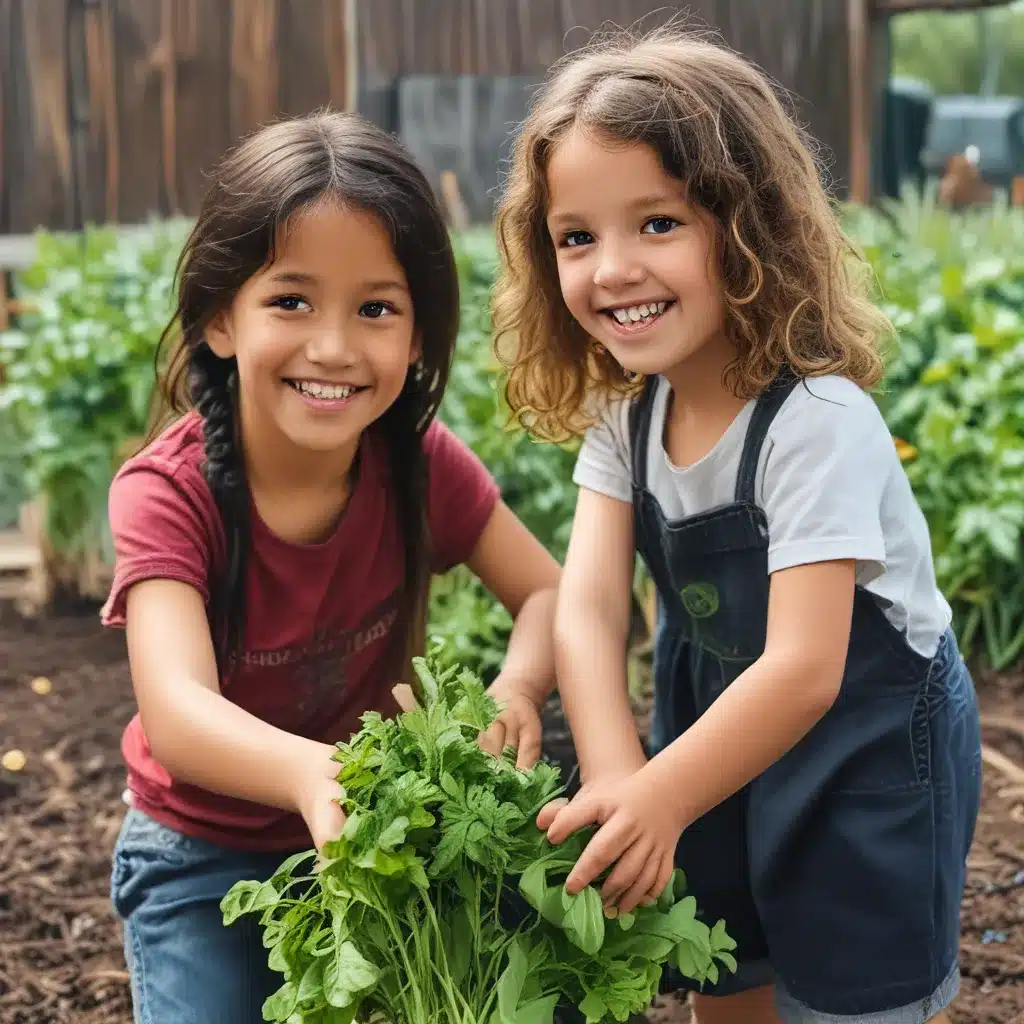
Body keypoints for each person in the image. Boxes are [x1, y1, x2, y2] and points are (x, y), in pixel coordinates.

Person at [491, 23, 982, 1024]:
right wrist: (624, 773)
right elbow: (585, 610)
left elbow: (807, 667)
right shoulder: (628, 418)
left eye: (658, 223)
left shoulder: (817, 421)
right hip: (709, 731)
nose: (612, 267)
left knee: (855, 987)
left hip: (867, 747)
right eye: (576, 236)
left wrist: (661, 796)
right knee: (727, 971)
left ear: (749, 224)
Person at [101, 110, 560, 1024]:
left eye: (376, 308)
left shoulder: (418, 466)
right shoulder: (169, 493)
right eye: (291, 300)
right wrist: (318, 777)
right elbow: (178, 713)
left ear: (419, 336)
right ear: (218, 320)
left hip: (381, 842)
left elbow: (550, 589)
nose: (336, 347)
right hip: (203, 855)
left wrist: (518, 686)